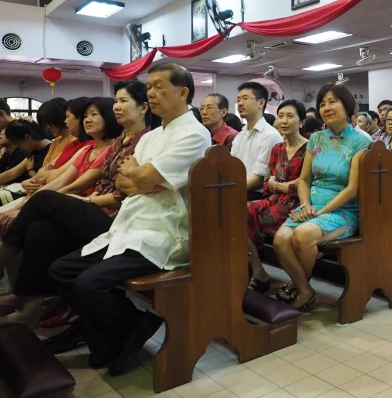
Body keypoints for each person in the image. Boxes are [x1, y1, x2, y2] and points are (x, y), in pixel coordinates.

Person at [48, 64, 211, 375]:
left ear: (183, 92)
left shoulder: (194, 134)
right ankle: (127, 325)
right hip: (129, 225)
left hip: (162, 232)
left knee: (88, 283)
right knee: (61, 270)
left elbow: (143, 175)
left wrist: (141, 176)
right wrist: (141, 178)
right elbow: (126, 183)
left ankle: (119, 333)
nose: (151, 92)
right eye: (149, 86)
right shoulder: (151, 137)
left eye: (159, 86)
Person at [0, 83, 148, 331]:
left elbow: (118, 192)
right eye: (116, 102)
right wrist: (46, 195)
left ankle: (3, 261)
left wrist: (71, 199)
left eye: (93, 115)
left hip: (111, 216)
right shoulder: (109, 145)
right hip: (90, 208)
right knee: (38, 230)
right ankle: (28, 307)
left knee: (41, 203)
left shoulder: (141, 141)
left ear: (143, 108)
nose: (83, 121)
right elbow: (56, 179)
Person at [273, 83, 370, 310]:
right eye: (322, 103)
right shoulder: (316, 139)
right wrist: (306, 204)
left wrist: (320, 212)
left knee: (303, 235)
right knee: (280, 240)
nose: (327, 107)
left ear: (347, 106)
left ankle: (299, 285)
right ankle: (305, 290)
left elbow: (353, 188)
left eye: (333, 102)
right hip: (312, 205)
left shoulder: (362, 142)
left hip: (342, 210)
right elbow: (305, 179)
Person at [246, 100, 308, 293]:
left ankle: (291, 279)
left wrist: (278, 185)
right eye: (280, 116)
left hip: (298, 203)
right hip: (274, 200)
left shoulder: (310, 149)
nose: (284, 121)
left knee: (257, 215)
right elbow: (266, 184)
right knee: (238, 212)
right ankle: (258, 270)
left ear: (302, 122)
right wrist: (278, 185)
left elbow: (305, 184)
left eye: (290, 116)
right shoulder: (277, 149)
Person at [231, 81, 283, 200]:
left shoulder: (270, 135)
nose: (240, 103)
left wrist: (232, 191)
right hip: (238, 189)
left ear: (261, 103)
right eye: (238, 100)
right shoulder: (240, 135)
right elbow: (231, 167)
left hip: (257, 195)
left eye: (245, 98)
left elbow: (259, 178)